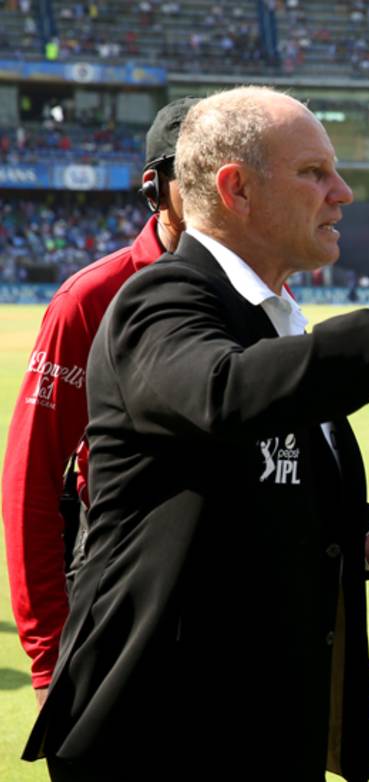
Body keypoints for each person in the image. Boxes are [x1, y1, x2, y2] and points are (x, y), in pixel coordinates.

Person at [23, 86, 369, 781]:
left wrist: (363, 532)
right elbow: (228, 395)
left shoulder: (272, 321)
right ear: (237, 190)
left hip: (260, 729)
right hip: (162, 734)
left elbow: (261, 484)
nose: (341, 193)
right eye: (314, 173)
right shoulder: (158, 302)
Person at [3, 96, 195, 709]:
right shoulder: (91, 299)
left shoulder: (270, 295)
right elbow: (29, 481)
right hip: (122, 610)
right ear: (156, 189)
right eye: (201, 173)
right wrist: (46, 655)